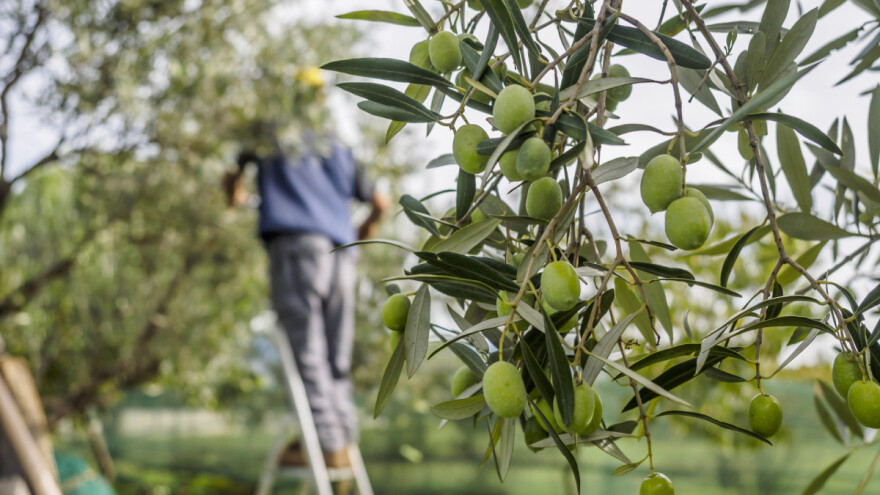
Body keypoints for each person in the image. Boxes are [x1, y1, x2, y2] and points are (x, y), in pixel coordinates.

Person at [223, 67, 389, 468]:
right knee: (336, 359)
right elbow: (380, 203)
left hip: (298, 249)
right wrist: (359, 235)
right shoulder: (337, 144)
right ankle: (341, 443)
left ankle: (329, 448)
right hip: (341, 254)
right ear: (320, 100)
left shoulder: (270, 132)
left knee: (309, 353)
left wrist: (236, 196)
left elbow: (233, 176)